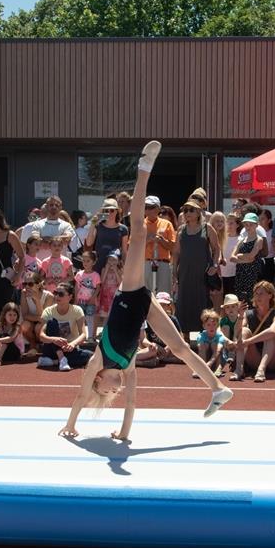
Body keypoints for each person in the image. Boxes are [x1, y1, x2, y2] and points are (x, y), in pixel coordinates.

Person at [61, 142, 233, 440]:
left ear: (97, 380)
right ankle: (217, 388)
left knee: (138, 231)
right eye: (114, 391)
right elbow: (131, 403)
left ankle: (143, 171)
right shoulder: (127, 367)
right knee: (180, 347)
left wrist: (72, 424)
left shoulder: (97, 362)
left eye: (106, 390)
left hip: (129, 294)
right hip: (143, 304)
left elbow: (79, 396)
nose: (114, 389)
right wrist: (123, 433)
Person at [173, 200, 220, 333]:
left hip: (202, 275)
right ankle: (184, 337)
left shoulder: (207, 228)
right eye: (185, 210)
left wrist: (215, 264)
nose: (187, 213)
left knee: (202, 303)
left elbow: (217, 249)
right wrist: (174, 274)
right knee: (183, 304)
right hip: (184, 274)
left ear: (199, 212)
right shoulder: (181, 230)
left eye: (191, 210)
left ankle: (204, 336)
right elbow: (176, 253)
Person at [37, 281, 91, 371]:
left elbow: (83, 335)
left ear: (70, 297)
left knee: (92, 357)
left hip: (69, 349)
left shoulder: (77, 310)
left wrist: (72, 344)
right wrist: (54, 339)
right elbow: (41, 336)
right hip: (51, 349)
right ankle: (61, 359)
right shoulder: (48, 311)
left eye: (61, 294)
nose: (57, 296)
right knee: (51, 322)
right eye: (56, 293)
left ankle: (54, 362)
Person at [143, 195, 175, 294]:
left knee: (164, 294)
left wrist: (161, 240)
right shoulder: (140, 224)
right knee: (147, 294)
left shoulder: (167, 224)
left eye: (151, 207)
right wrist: (148, 240)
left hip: (163, 263)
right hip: (146, 263)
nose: (148, 210)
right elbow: (132, 246)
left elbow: (173, 247)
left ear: (158, 209)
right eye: (146, 207)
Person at [230, 212, 264, 306]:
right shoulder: (241, 240)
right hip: (240, 273)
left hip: (252, 274)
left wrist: (239, 256)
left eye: (251, 224)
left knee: (252, 299)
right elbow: (232, 257)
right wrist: (244, 259)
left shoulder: (259, 239)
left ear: (256, 225)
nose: (248, 227)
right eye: (246, 224)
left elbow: (251, 256)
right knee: (240, 300)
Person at [86, 200, 129, 272]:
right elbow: (89, 243)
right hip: (98, 265)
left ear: (117, 211)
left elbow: (124, 251)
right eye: (106, 210)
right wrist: (93, 223)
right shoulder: (98, 226)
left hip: (114, 267)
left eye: (112, 210)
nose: (109, 213)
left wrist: (125, 267)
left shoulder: (123, 229)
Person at [0, 302, 24, 366]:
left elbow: (11, 338)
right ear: (4, 315)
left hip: (15, 353)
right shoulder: (1, 324)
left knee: (4, 337)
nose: (12, 317)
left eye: (14, 315)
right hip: (4, 352)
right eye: (10, 315)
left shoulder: (17, 326)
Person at [74, 249, 101, 342]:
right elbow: (76, 287)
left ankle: (90, 337)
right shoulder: (79, 274)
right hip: (80, 300)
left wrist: (93, 298)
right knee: (80, 318)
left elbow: (98, 288)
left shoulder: (96, 275)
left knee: (90, 319)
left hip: (91, 302)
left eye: (88, 261)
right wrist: (75, 299)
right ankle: (80, 336)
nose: (85, 263)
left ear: (93, 262)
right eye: (83, 261)